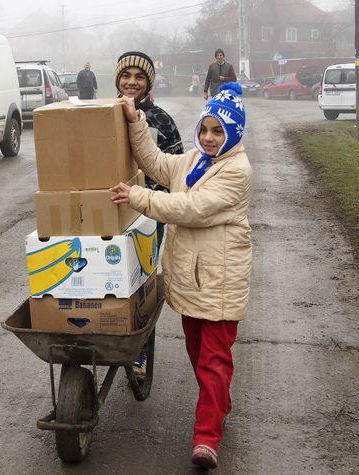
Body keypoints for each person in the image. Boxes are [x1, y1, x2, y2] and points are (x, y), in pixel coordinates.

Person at [110, 82, 251, 470]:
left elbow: (192, 208)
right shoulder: (192, 161)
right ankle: (218, 402)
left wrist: (138, 197)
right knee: (198, 355)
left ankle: (206, 439)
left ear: (234, 133)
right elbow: (155, 162)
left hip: (220, 282)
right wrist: (135, 120)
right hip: (193, 280)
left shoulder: (237, 171)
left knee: (213, 360)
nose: (208, 138)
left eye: (218, 131)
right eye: (205, 129)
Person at [114, 51, 184, 379]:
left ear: (148, 83)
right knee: (110, 281)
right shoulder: (104, 114)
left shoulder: (162, 121)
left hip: (148, 217)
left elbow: (176, 174)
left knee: (141, 282)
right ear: (117, 79)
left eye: (139, 77)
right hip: (110, 214)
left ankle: (139, 350)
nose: (132, 81)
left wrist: (160, 202)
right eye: (126, 75)